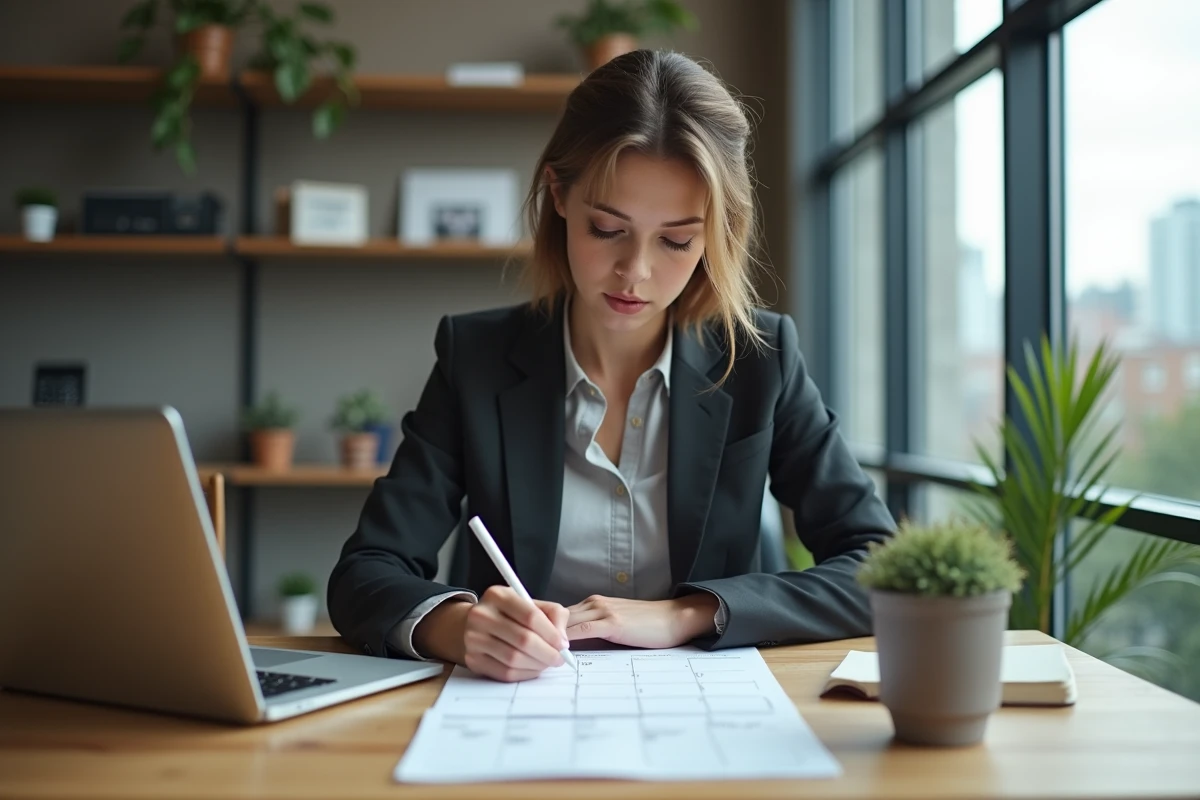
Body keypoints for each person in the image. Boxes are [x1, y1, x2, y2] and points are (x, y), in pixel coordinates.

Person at [328, 49, 896, 682]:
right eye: (607, 229)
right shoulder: (477, 358)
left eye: (678, 240)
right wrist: (459, 626)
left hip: (709, 709)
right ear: (559, 196)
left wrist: (688, 614)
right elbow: (366, 572)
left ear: (716, 233)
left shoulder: (760, 359)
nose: (637, 272)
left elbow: (878, 564)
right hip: (515, 711)